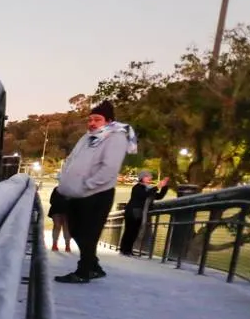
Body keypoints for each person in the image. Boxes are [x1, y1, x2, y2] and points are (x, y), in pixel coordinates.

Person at [54, 100, 136, 283]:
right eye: (90, 119)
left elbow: (109, 168)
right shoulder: (87, 137)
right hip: (76, 194)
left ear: (109, 121)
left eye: (97, 119)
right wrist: (65, 180)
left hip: (97, 195)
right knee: (75, 230)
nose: (92, 123)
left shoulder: (116, 138)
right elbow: (71, 159)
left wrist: (87, 184)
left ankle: (84, 272)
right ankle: (94, 267)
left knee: (88, 234)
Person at [119, 170, 170, 255]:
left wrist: (165, 186)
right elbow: (144, 195)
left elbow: (159, 196)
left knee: (135, 232)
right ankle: (124, 250)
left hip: (140, 213)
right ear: (142, 178)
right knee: (129, 231)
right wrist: (157, 186)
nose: (150, 177)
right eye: (147, 176)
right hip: (132, 211)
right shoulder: (137, 187)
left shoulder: (149, 188)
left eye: (150, 176)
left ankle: (128, 250)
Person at [48, 186, 71, 252]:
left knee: (61, 227)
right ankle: (64, 245)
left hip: (61, 210)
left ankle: (64, 245)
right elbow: (51, 200)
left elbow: (51, 200)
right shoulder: (57, 189)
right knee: (64, 227)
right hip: (62, 210)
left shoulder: (57, 189)